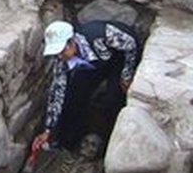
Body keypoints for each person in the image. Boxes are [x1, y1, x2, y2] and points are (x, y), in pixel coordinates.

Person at [35, 20, 141, 151]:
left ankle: (107, 141)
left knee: (114, 98)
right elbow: (57, 92)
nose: (60, 56)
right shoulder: (62, 59)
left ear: (72, 41)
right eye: (56, 52)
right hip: (91, 63)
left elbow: (130, 45)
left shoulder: (100, 35)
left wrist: (126, 74)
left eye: (62, 51)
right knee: (75, 95)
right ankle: (69, 142)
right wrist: (49, 129)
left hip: (118, 57)